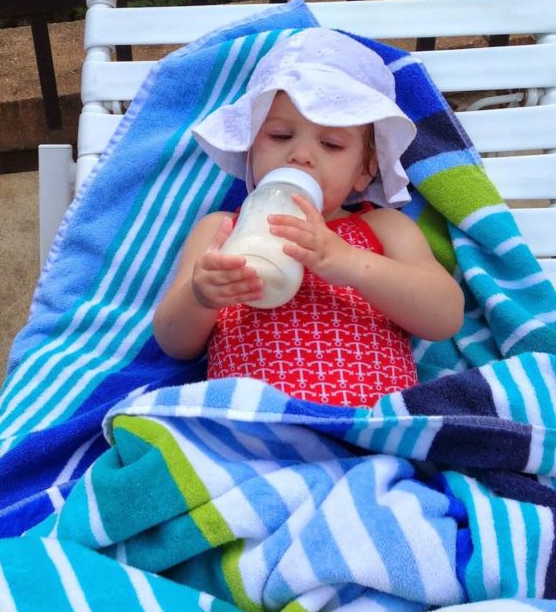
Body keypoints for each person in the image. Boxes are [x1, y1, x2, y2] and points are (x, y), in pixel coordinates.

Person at [152, 28, 465, 406]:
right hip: (247, 420)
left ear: (365, 169)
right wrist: (201, 297)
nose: (301, 155)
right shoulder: (221, 231)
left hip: (365, 422)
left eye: (331, 144)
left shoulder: (383, 228)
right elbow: (174, 344)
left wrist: (349, 262)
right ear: (249, 150)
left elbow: (445, 317)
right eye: (280, 136)